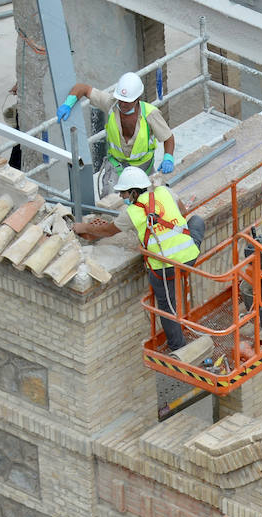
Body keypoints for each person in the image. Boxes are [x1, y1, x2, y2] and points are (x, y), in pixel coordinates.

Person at [72, 166, 202, 352]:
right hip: (190, 256)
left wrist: (83, 228)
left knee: (166, 306)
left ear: (133, 192)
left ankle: (178, 347)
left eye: (123, 193)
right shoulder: (164, 191)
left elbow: (108, 231)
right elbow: (182, 211)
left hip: (164, 267)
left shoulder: (131, 214)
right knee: (197, 221)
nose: (121, 197)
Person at [66, 72, 176, 199]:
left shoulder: (150, 114)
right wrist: (68, 103)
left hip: (144, 167)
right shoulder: (111, 104)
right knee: (110, 200)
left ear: (137, 99)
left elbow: (168, 138)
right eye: (121, 100)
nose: (122, 104)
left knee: (151, 200)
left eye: (127, 102)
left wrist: (168, 157)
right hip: (117, 165)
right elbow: (82, 88)